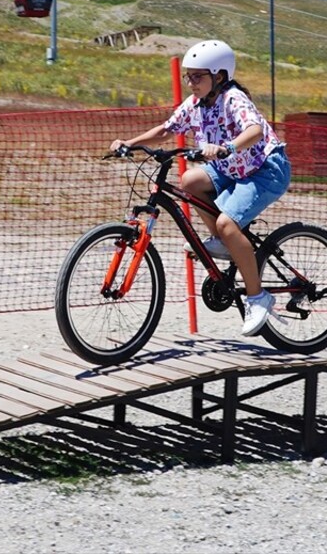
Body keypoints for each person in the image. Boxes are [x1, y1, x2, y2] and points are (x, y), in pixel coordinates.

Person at [110, 39, 291, 336]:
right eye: (188, 76)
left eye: (198, 76)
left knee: (228, 224)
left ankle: (258, 298)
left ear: (219, 76)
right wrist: (130, 143)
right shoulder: (195, 104)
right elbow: (167, 129)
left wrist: (226, 147)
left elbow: (255, 130)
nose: (191, 83)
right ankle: (222, 242)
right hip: (232, 169)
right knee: (190, 181)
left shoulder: (233, 99)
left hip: (264, 170)